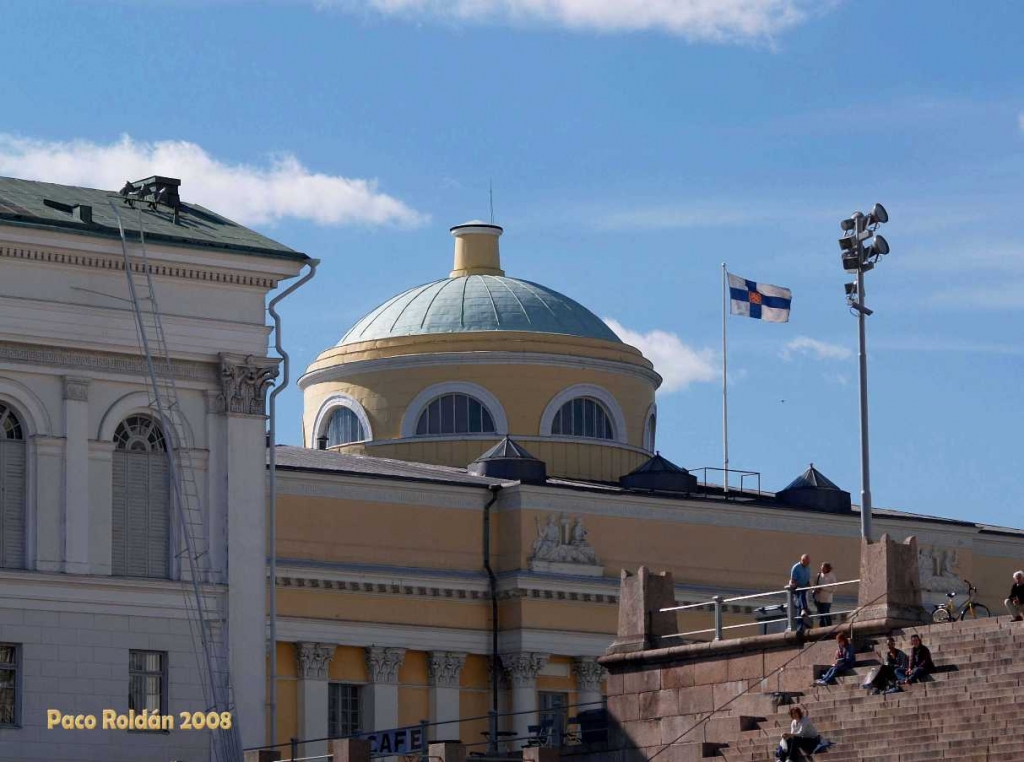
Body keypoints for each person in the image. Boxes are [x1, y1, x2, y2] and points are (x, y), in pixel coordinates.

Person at [789, 554, 812, 629]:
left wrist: (809, 585)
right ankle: (803, 611)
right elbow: (793, 581)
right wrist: (801, 586)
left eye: (808, 562)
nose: (808, 564)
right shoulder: (796, 568)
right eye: (807, 562)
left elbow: (807, 579)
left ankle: (803, 623)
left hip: (804, 589)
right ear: (802, 561)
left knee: (801, 605)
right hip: (797, 589)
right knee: (801, 603)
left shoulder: (808, 568)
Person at [813, 562, 837, 628]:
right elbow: (814, 585)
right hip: (818, 599)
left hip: (826, 600)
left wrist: (823, 587)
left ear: (827, 568)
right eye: (821, 567)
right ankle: (822, 629)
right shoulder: (818, 575)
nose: (822, 569)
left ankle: (829, 628)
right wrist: (815, 589)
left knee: (826, 614)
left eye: (823, 567)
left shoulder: (832, 576)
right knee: (821, 616)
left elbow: (833, 589)